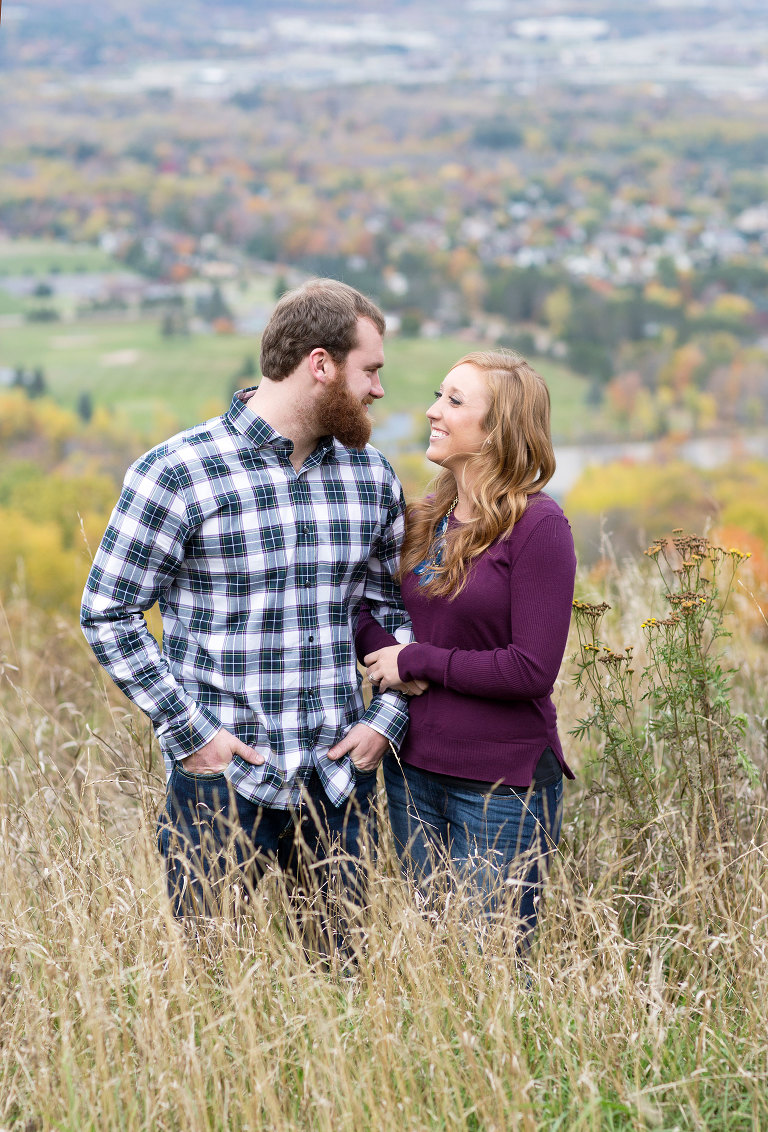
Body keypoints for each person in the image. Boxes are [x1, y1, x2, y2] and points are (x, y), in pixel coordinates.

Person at [81, 279, 415, 941]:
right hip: (220, 786)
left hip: (338, 784)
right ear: (320, 365)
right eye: (370, 370)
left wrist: (388, 718)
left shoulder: (370, 475)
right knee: (211, 992)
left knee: (345, 989)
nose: (378, 389)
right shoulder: (177, 471)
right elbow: (108, 611)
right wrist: (192, 735)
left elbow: (393, 612)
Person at [353, 350, 576, 942]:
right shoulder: (427, 517)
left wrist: (417, 660)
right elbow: (366, 605)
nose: (433, 411)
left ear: (496, 429)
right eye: (438, 395)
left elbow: (531, 668)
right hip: (412, 770)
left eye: (454, 401)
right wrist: (384, 652)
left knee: (495, 969)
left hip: (501, 785)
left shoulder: (536, 526)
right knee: (433, 961)